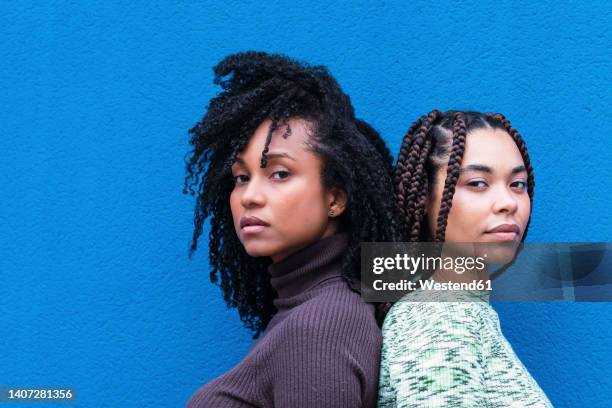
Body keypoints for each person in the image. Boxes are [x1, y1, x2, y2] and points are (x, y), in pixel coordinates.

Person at [183, 51, 402, 407]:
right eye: (241, 177)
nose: (249, 196)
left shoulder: (318, 328)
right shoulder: (305, 311)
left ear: (335, 197)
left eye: (280, 173)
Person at [377, 110, 554, 407]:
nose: (508, 203)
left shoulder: (462, 309)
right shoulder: (439, 318)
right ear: (423, 199)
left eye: (517, 184)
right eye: (478, 183)